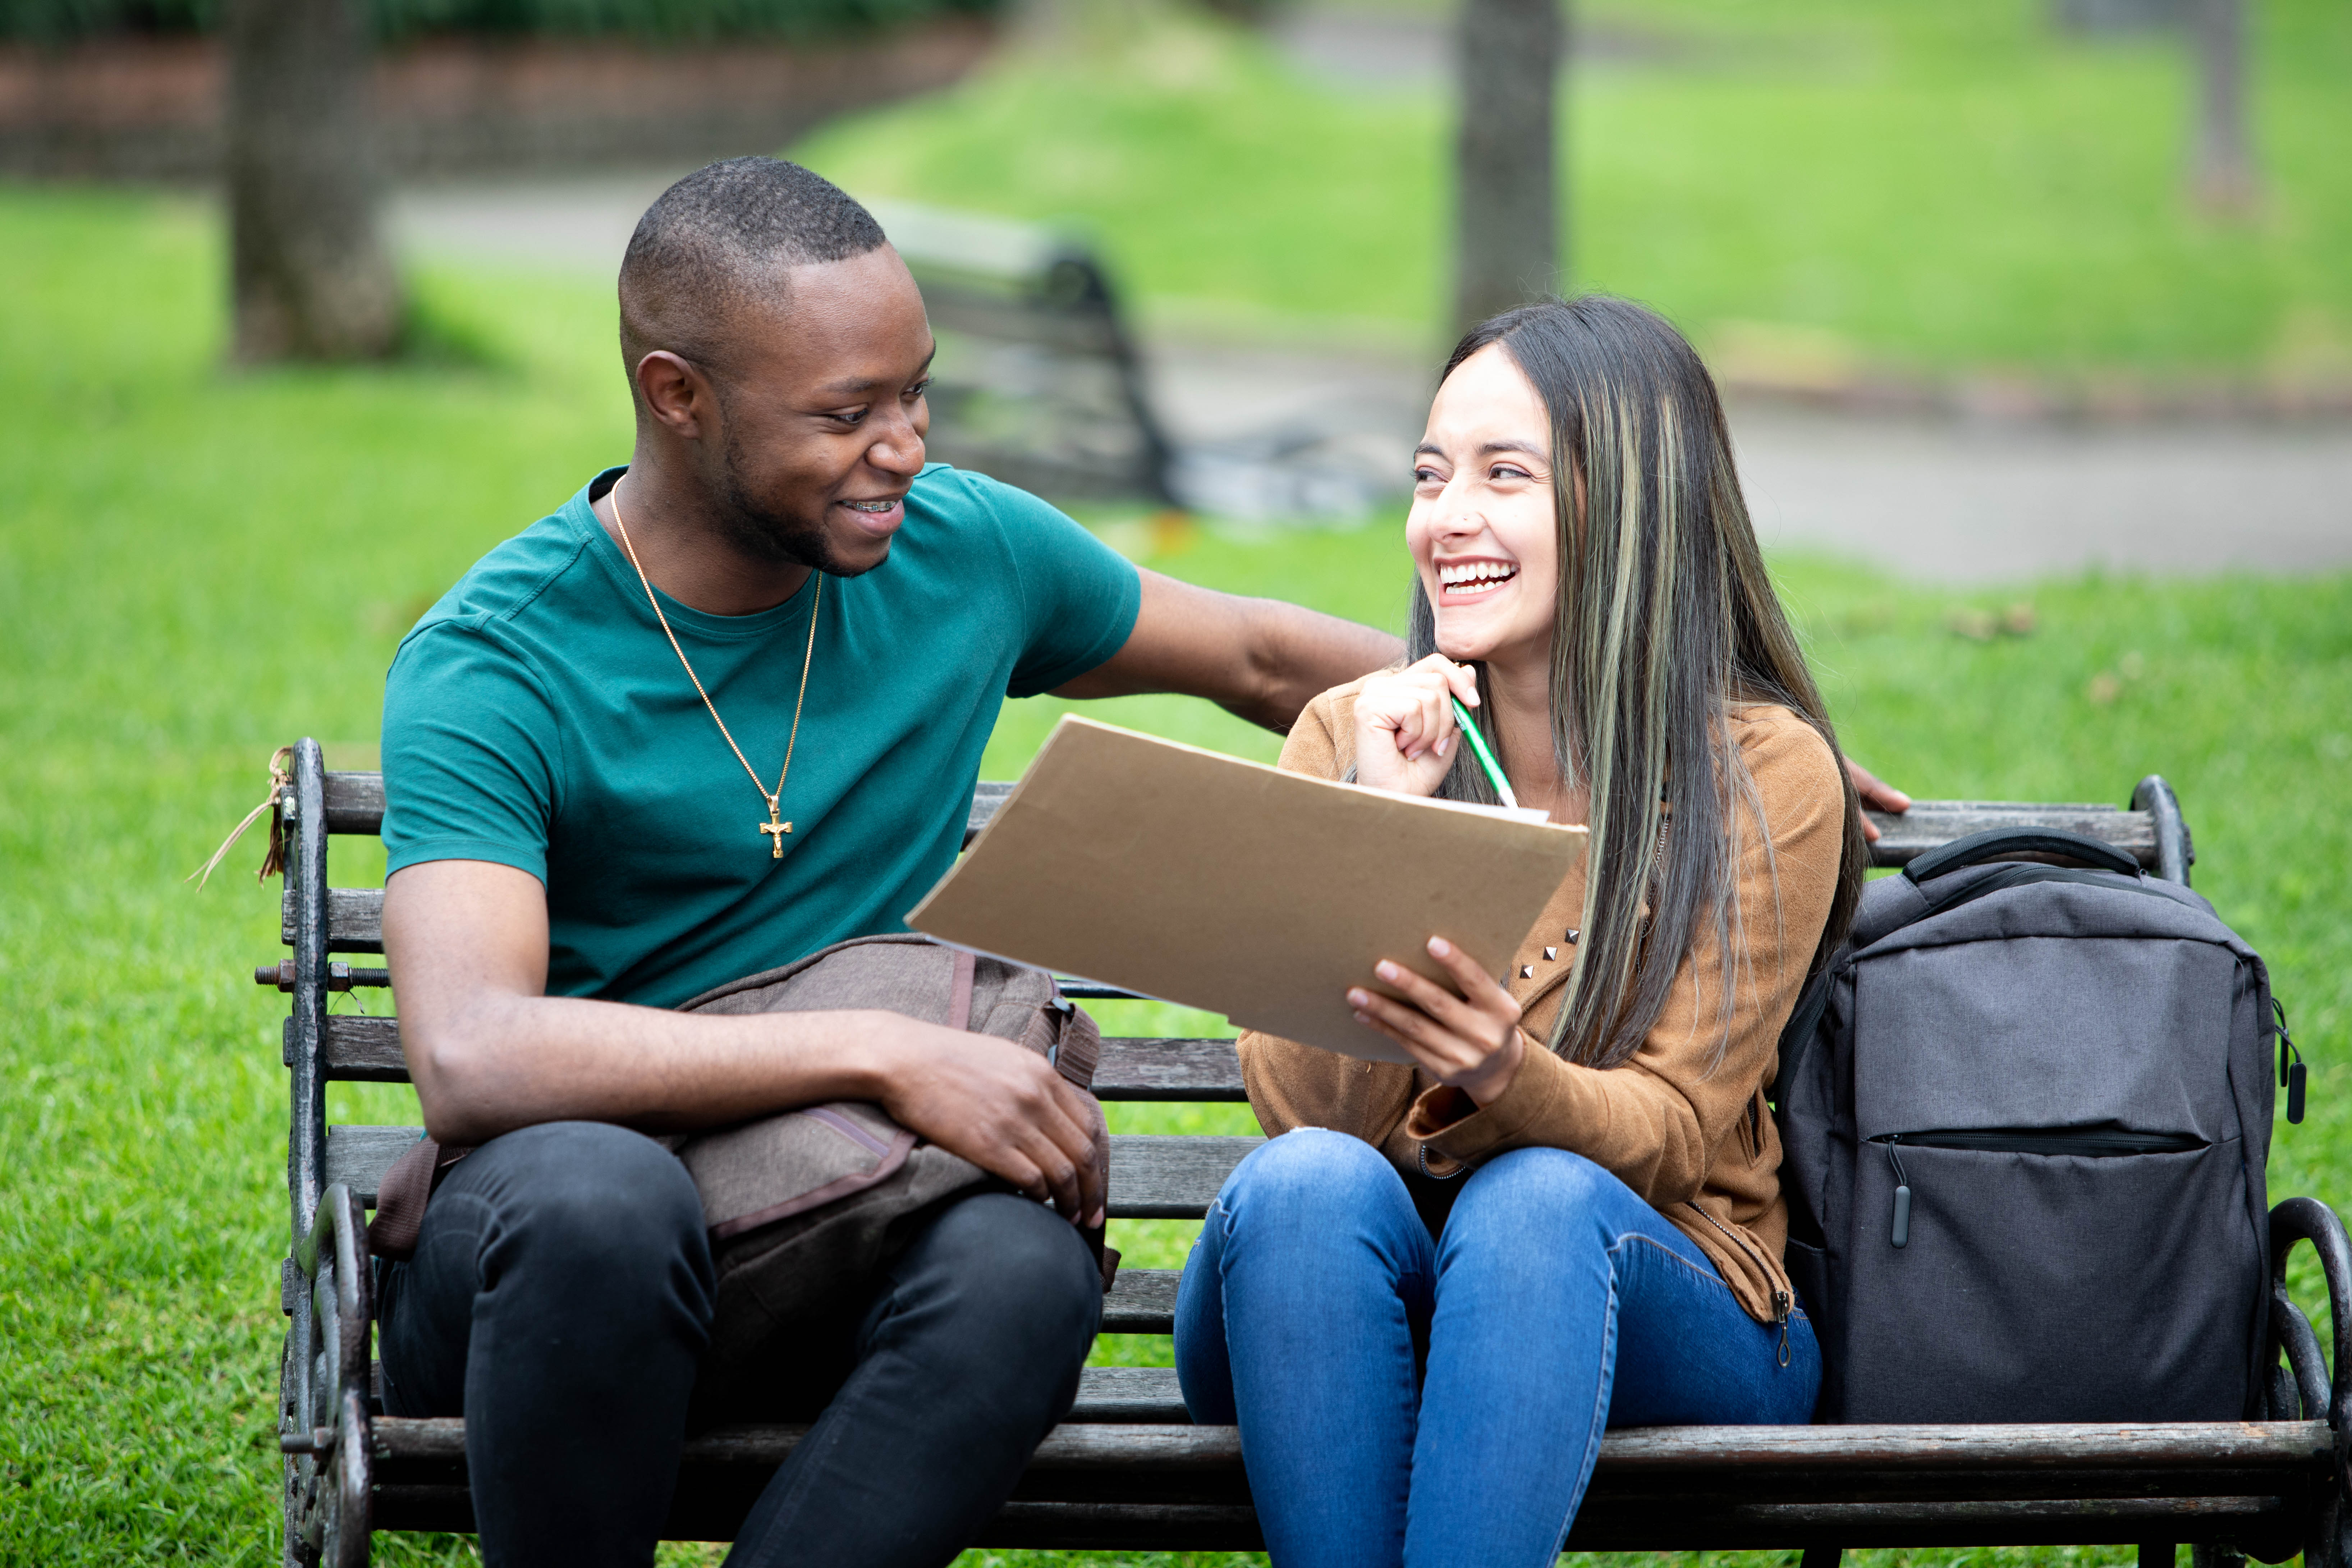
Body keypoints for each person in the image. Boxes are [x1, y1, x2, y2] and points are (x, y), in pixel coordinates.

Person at [369, 156, 1408, 1568]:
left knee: (1024, 1269)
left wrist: (1663, 729)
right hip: (550, 1278)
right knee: (602, 1204)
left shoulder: (959, 555)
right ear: (678, 395)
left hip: (842, 1231)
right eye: (848, 413)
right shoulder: (502, 656)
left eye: (916, 391)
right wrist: (886, 1051)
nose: (906, 446)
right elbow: (474, 1052)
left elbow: (1260, 655)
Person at [1173, 295, 1872, 1568]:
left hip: (1655, 1290)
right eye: (1432, 476)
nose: (1447, 520)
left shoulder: (1762, 775)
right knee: (1303, 1185)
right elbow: (1310, 1121)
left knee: (1537, 1200)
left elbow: (1665, 1138)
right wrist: (1385, 846)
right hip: (1346, 1292)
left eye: (1507, 476)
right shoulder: (1353, 735)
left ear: (1636, 506)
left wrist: (1512, 1078)